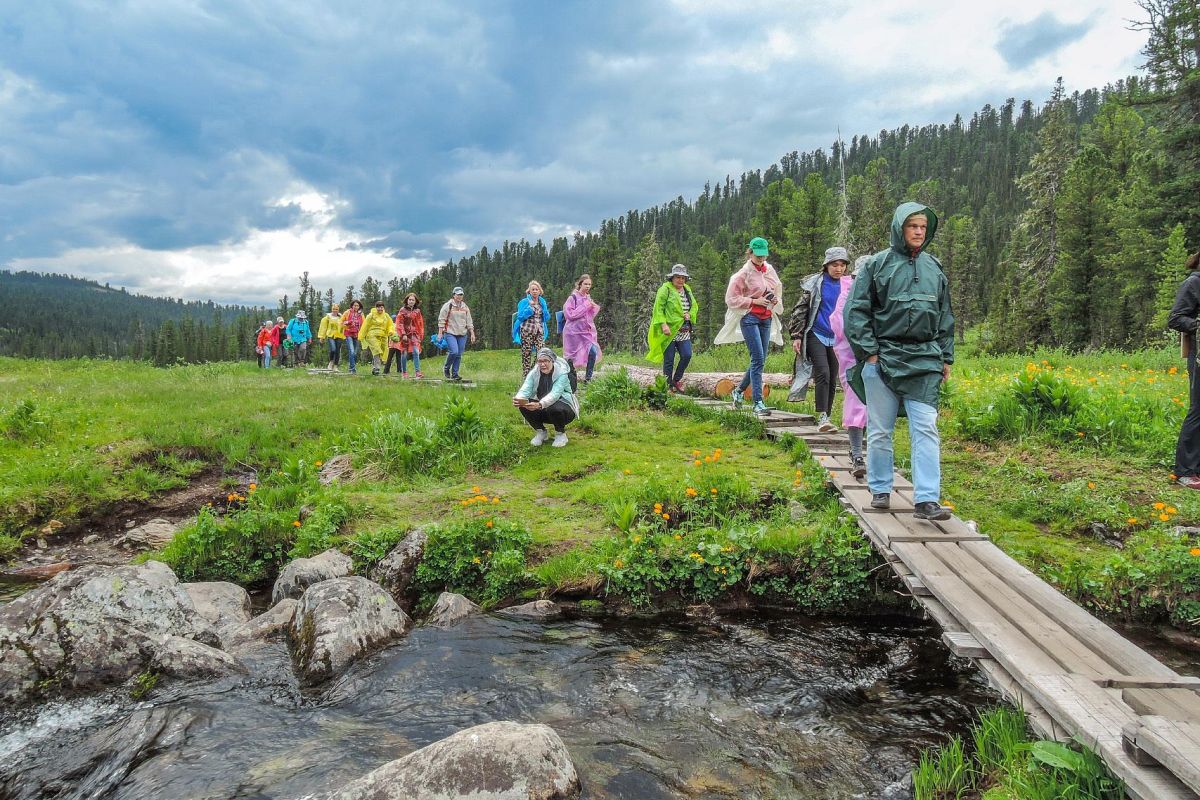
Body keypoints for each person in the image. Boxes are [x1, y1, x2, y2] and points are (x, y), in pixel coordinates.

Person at [845, 202, 954, 521]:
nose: (919, 232)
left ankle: (926, 500)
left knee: (926, 427)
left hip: (925, 360)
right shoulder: (876, 265)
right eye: (912, 226)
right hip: (884, 359)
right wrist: (871, 352)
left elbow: (945, 316)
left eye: (923, 226)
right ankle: (880, 488)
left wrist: (946, 355)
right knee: (880, 429)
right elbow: (856, 311)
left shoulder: (935, 267)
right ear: (899, 228)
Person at [718, 237, 783, 415]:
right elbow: (731, 299)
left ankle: (738, 392)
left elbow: (776, 287)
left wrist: (773, 298)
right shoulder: (742, 274)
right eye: (757, 255)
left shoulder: (769, 270)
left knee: (760, 360)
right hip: (750, 318)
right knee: (758, 359)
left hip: (766, 318)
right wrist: (754, 301)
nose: (761, 259)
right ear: (750, 252)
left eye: (763, 255)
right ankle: (757, 402)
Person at [789, 247, 850, 432]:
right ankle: (822, 416)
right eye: (834, 265)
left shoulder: (849, 284)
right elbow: (801, 309)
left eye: (842, 265)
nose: (838, 269)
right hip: (816, 333)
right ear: (826, 266)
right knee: (822, 372)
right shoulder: (816, 283)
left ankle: (828, 417)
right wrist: (797, 335)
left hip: (837, 337)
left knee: (832, 377)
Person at [831, 256, 871, 477]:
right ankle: (857, 454)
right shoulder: (846, 294)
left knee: (875, 406)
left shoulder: (880, 293)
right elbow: (839, 325)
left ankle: (869, 454)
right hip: (852, 358)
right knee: (857, 403)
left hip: (875, 357)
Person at [1169, 250, 1200, 489]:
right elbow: (1176, 318)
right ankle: (1185, 472)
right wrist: (1197, 324)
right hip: (1199, 357)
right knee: (1198, 409)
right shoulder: (1194, 282)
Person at [513, 347, 579, 448]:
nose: (542, 364)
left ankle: (560, 434)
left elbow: (555, 394)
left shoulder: (562, 373)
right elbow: (525, 388)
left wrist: (539, 404)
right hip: (543, 407)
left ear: (552, 361)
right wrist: (519, 399)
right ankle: (541, 432)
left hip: (564, 409)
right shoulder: (534, 372)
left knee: (554, 407)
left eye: (546, 361)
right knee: (524, 406)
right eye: (540, 361)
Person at [647, 264, 699, 392]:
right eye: (678, 277)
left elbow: (694, 306)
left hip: (683, 329)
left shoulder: (687, 289)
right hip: (668, 331)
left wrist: (690, 314)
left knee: (687, 355)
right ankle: (668, 386)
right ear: (672, 278)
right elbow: (658, 309)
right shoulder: (665, 289)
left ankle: (676, 380)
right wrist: (663, 324)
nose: (680, 280)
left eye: (683, 278)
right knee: (669, 359)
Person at [562, 274, 602, 382]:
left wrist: (593, 306)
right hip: (572, 333)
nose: (588, 286)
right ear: (580, 284)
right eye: (585, 284)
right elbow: (570, 315)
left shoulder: (588, 298)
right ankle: (568, 378)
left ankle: (588, 378)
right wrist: (586, 306)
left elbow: (589, 316)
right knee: (570, 358)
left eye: (589, 284)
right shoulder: (572, 298)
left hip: (586, 332)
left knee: (593, 352)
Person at [513, 281, 552, 376]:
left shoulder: (542, 302)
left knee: (541, 351)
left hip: (539, 330)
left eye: (536, 289)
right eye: (532, 290)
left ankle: (535, 371)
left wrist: (545, 312)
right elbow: (520, 317)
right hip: (527, 330)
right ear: (529, 291)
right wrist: (529, 309)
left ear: (540, 291)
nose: (534, 291)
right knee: (526, 353)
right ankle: (526, 375)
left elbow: (546, 318)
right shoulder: (524, 302)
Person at [437, 287, 476, 382]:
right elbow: (442, 319)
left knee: (458, 354)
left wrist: (472, 333)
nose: (459, 296)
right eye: (458, 294)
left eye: (461, 294)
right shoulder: (448, 305)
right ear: (453, 295)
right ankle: (446, 368)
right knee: (454, 351)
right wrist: (440, 333)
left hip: (462, 333)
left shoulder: (465, 307)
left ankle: (455, 374)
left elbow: (469, 321)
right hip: (450, 332)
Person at [389, 293, 425, 378]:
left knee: (416, 351)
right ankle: (404, 372)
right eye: (410, 299)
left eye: (413, 300)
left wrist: (420, 334)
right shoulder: (402, 310)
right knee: (404, 353)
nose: (411, 301)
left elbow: (420, 323)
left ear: (415, 301)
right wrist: (403, 334)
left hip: (414, 334)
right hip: (405, 334)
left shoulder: (417, 311)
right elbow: (399, 323)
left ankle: (418, 372)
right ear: (407, 300)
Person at [359, 300, 395, 376]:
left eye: (381, 307)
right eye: (378, 307)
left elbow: (390, 325)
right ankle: (377, 368)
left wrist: (390, 332)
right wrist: (362, 335)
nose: (380, 309)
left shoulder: (386, 316)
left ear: (383, 308)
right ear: (375, 308)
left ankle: (375, 367)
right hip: (372, 336)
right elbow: (365, 326)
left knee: (382, 351)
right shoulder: (371, 316)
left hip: (383, 336)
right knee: (377, 350)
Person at [318, 304, 344, 370]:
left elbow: (344, 326)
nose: (335, 310)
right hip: (330, 335)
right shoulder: (328, 317)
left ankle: (335, 365)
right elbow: (323, 327)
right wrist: (322, 337)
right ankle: (331, 362)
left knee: (338, 351)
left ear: (338, 310)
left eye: (336, 309)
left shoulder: (341, 317)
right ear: (332, 309)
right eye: (334, 309)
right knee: (333, 349)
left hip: (339, 335)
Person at [341, 300, 364, 374]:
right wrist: (348, 322)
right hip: (348, 333)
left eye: (357, 306)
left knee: (355, 353)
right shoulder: (347, 313)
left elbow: (364, 324)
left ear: (359, 306)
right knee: (351, 350)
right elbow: (341, 322)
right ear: (352, 306)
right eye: (354, 305)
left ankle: (351, 367)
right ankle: (352, 369)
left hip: (357, 334)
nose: (356, 307)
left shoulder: (361, 314)